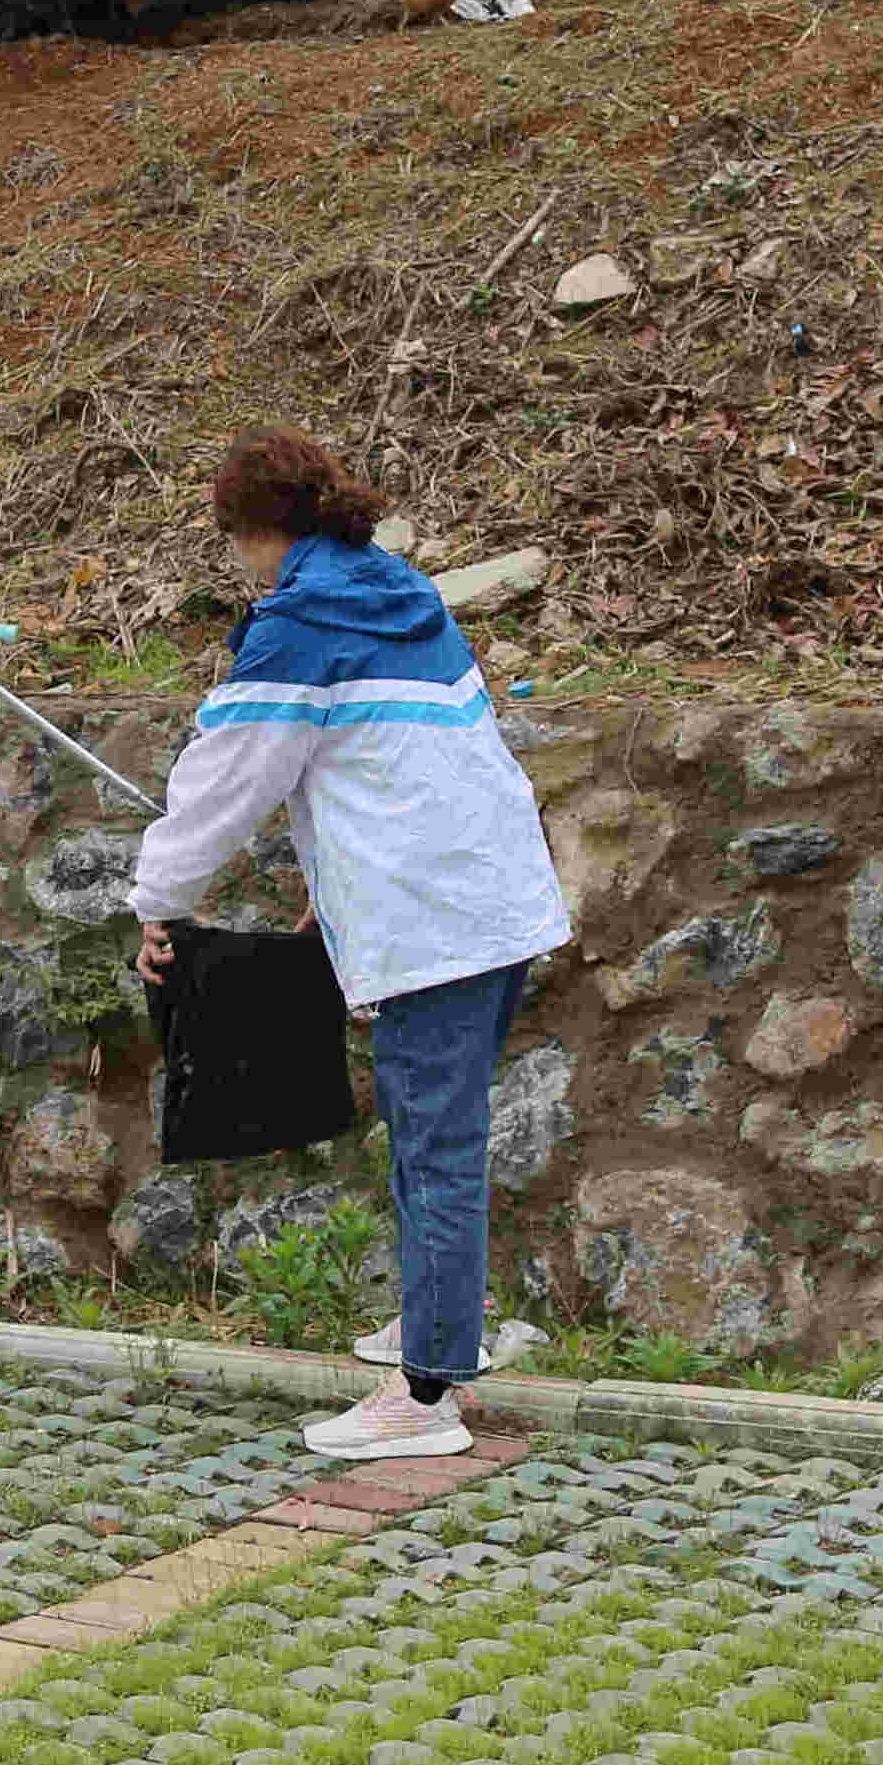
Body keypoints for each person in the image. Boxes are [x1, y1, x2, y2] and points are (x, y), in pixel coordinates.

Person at [129, 434, 568, 1463]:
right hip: (491, 900)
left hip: (436, 924)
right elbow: (403, 766)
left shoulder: (299, 626)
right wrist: (332, 901)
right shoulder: (397, 592)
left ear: (251, 532)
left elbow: (228, 777)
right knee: (435, 1137)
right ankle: (439, 1322)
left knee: (434, 1145)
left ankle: (426, 1392)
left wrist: (159, 899)